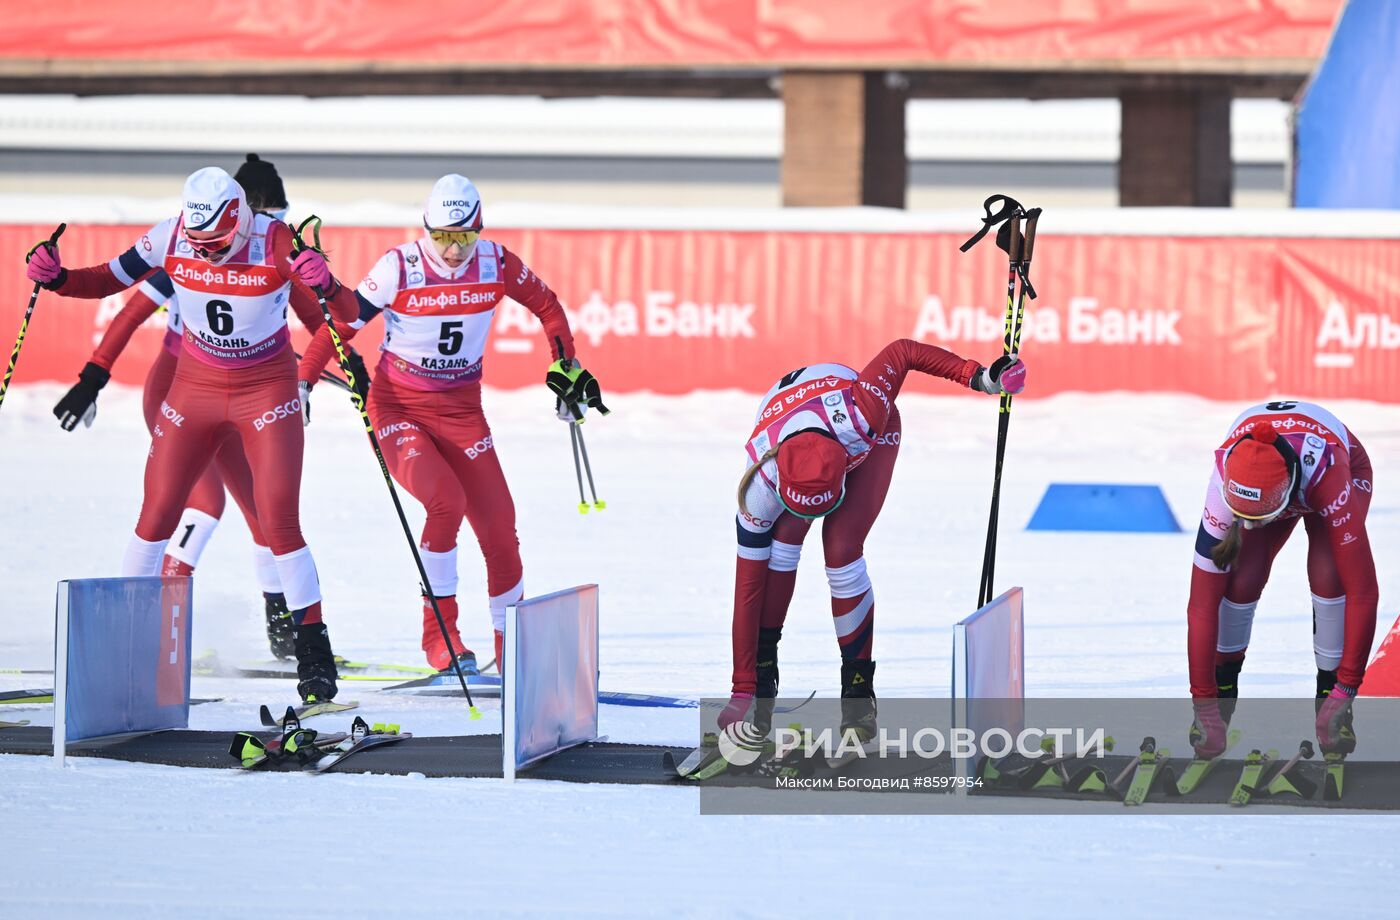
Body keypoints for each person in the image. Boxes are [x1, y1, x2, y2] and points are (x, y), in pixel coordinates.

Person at [24, 165, 357, 702]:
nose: (206, 254)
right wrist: (58, 278)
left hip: (265, 392)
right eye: (198, 244)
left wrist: (329, 283)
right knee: (155, 514)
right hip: (192, 389)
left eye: (218, 243)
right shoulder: (172, 234)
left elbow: (342, 313)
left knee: (277, 520)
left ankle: (312, 654)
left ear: (240, 219)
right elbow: (109, 279)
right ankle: (129, 646)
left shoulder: (275, 242)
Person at [297, 174, 598, 673]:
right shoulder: (400, 266)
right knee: (445, 502)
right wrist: (305, 378)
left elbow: (547, 306)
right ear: (426, 230)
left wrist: (565, 367)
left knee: (500, 528)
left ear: (479, 229)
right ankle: (441, 637)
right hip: (397, 408)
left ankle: (510, 644)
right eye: (441, 236)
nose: (453, 249)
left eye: (463, 236)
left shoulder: (496, 262)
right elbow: (345, 319)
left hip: (462, 410)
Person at [721, 339, 1027, 740]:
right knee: (781, 549)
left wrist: (980, 377)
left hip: (864, 435)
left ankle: (858, 697)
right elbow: (747, 589)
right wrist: (741, 688)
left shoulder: (864, 412)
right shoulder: (759, 484)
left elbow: (903, 352)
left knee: (842, 552)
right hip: (795, 433)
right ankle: (762, 679)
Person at [1185, 400, 1377, 760]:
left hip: (1334, 470)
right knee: (1241, 580)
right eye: (1243, 517)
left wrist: (1345, 689)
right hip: (1273, 482)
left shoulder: (1327, 472)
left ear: (1285, 500)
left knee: (1329, 575)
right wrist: (1204, 704)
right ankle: (1221, 704)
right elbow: (1200, 606)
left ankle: (1331, 705)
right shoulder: (1224, 475)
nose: (1253, 526)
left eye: (1262, 518)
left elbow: (1364, 593)